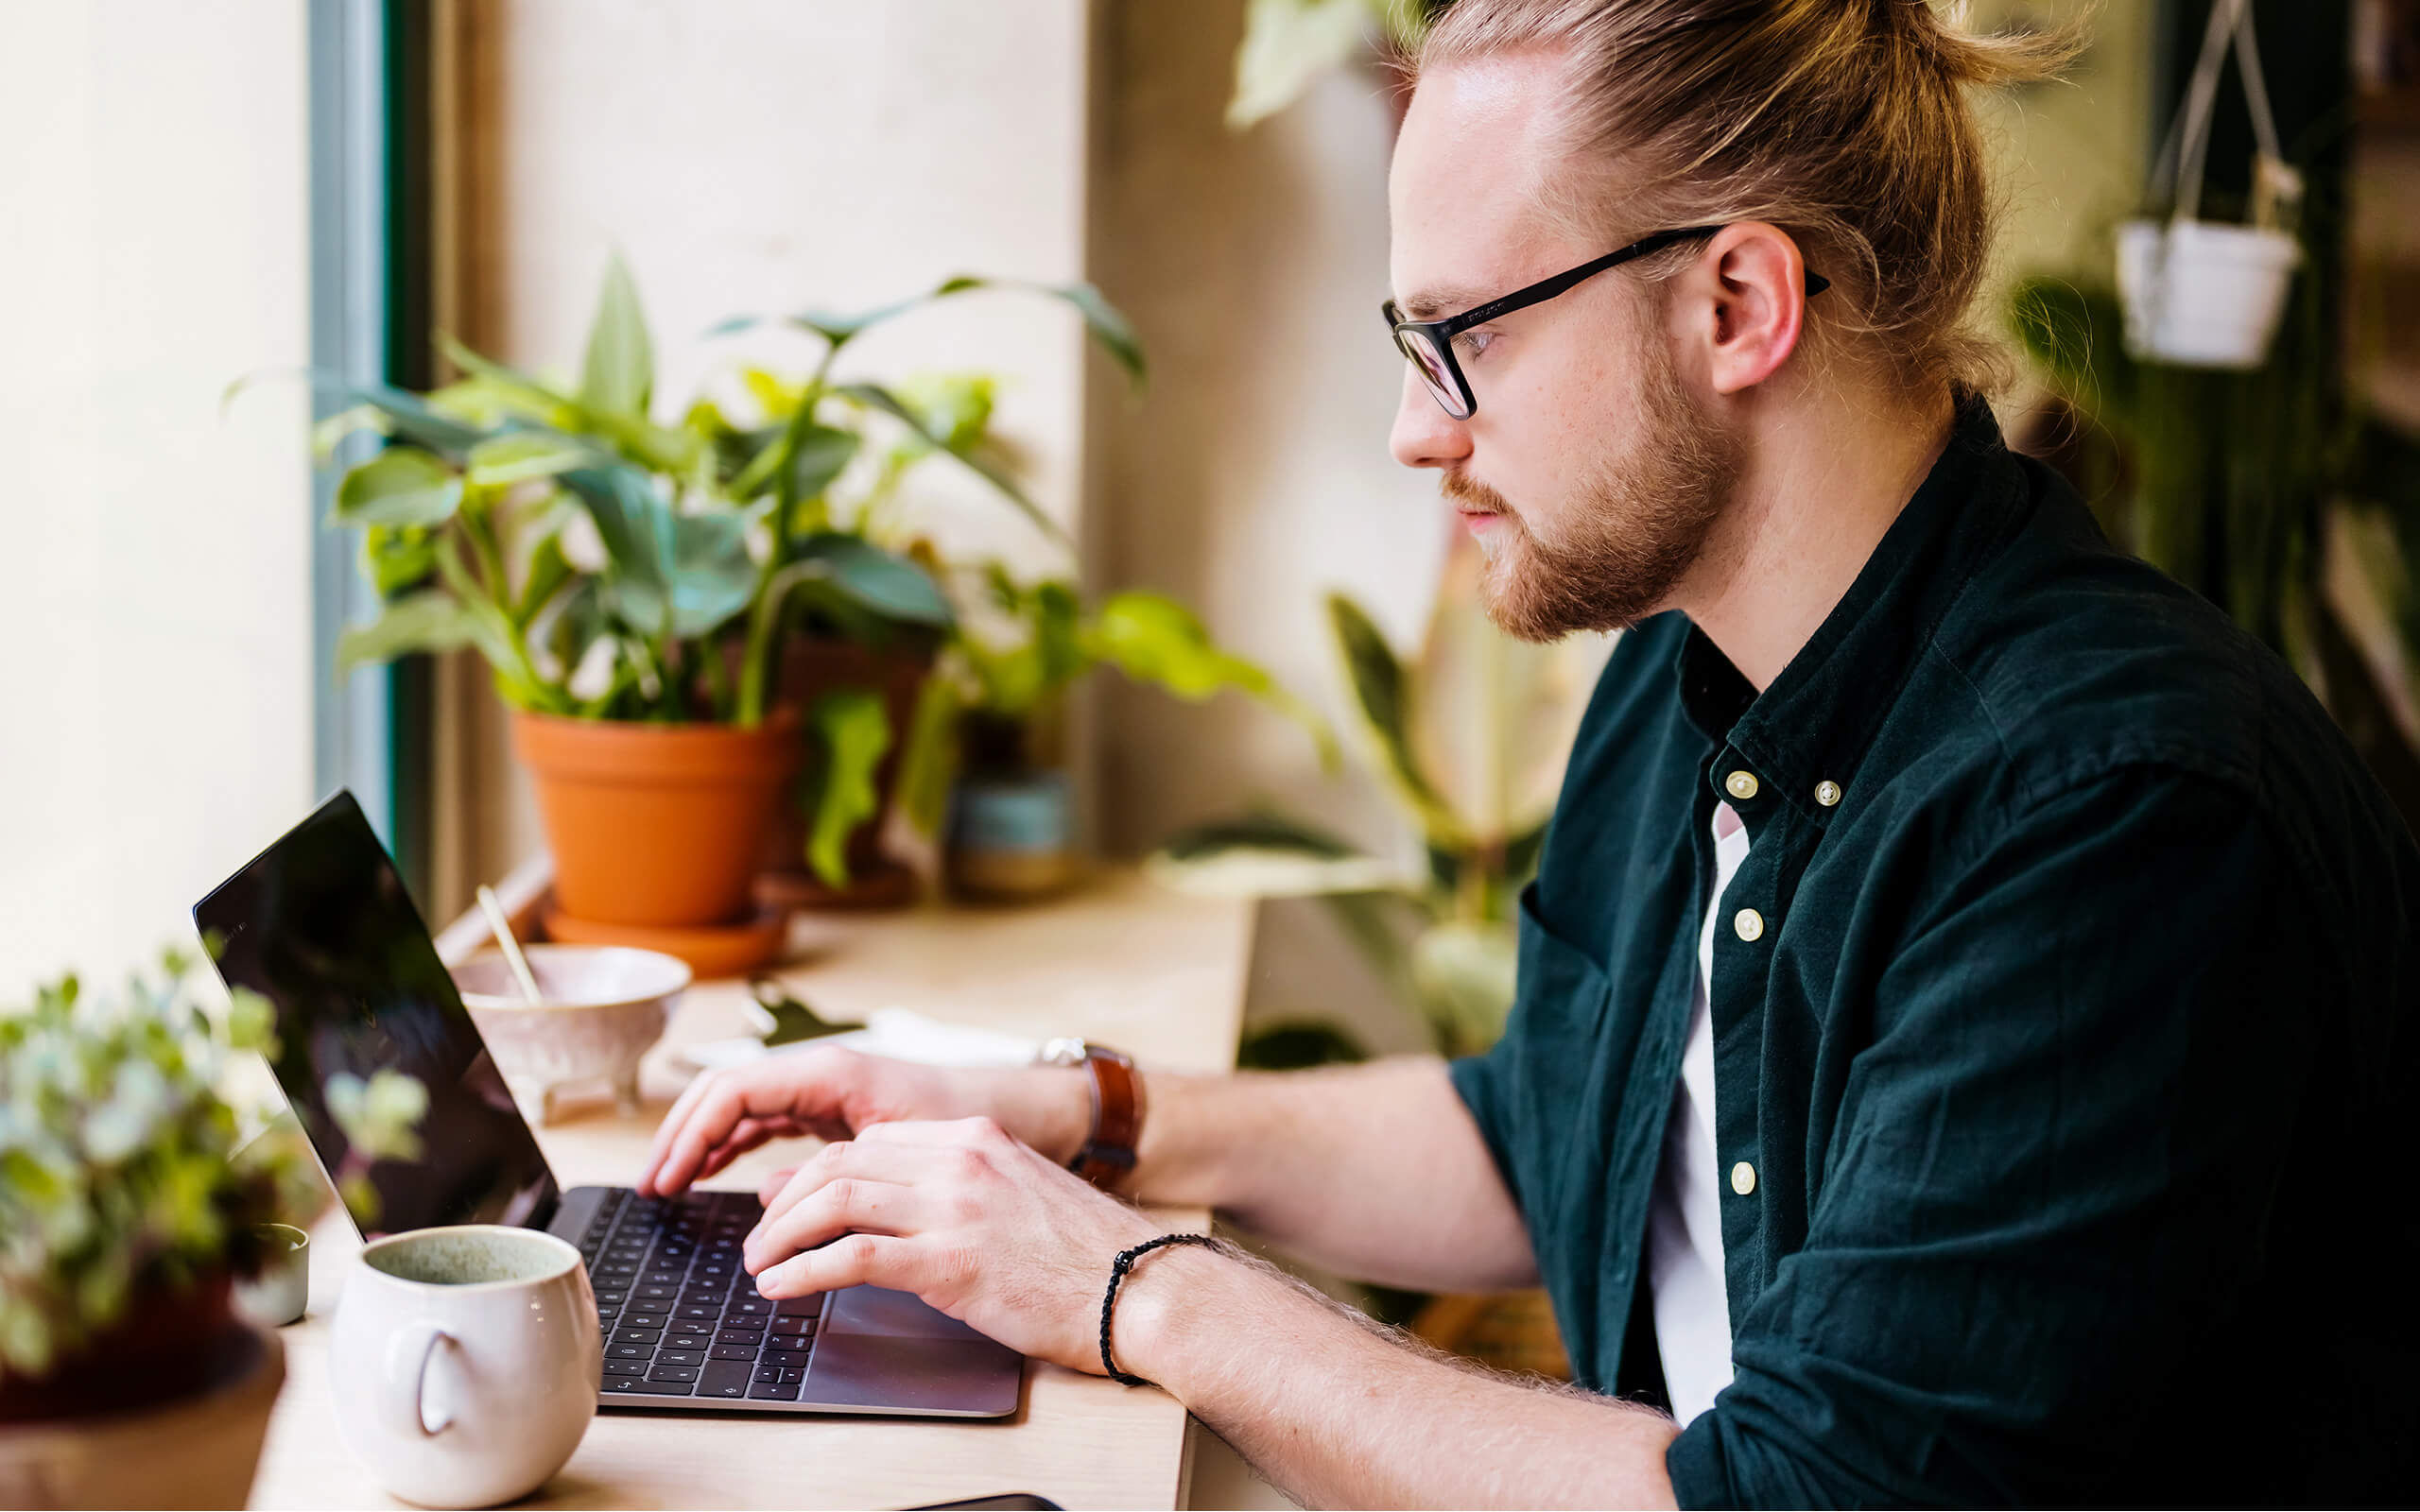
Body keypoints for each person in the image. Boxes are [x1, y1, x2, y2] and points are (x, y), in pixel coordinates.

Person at [639, 0, 2420, 1503]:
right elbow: (1552, 1136)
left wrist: (1133, 1291)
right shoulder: (1693, 660)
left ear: (1738, 303)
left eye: (1468, 338)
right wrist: (1096, 1114)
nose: (1419, 432)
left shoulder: (2118, 821)